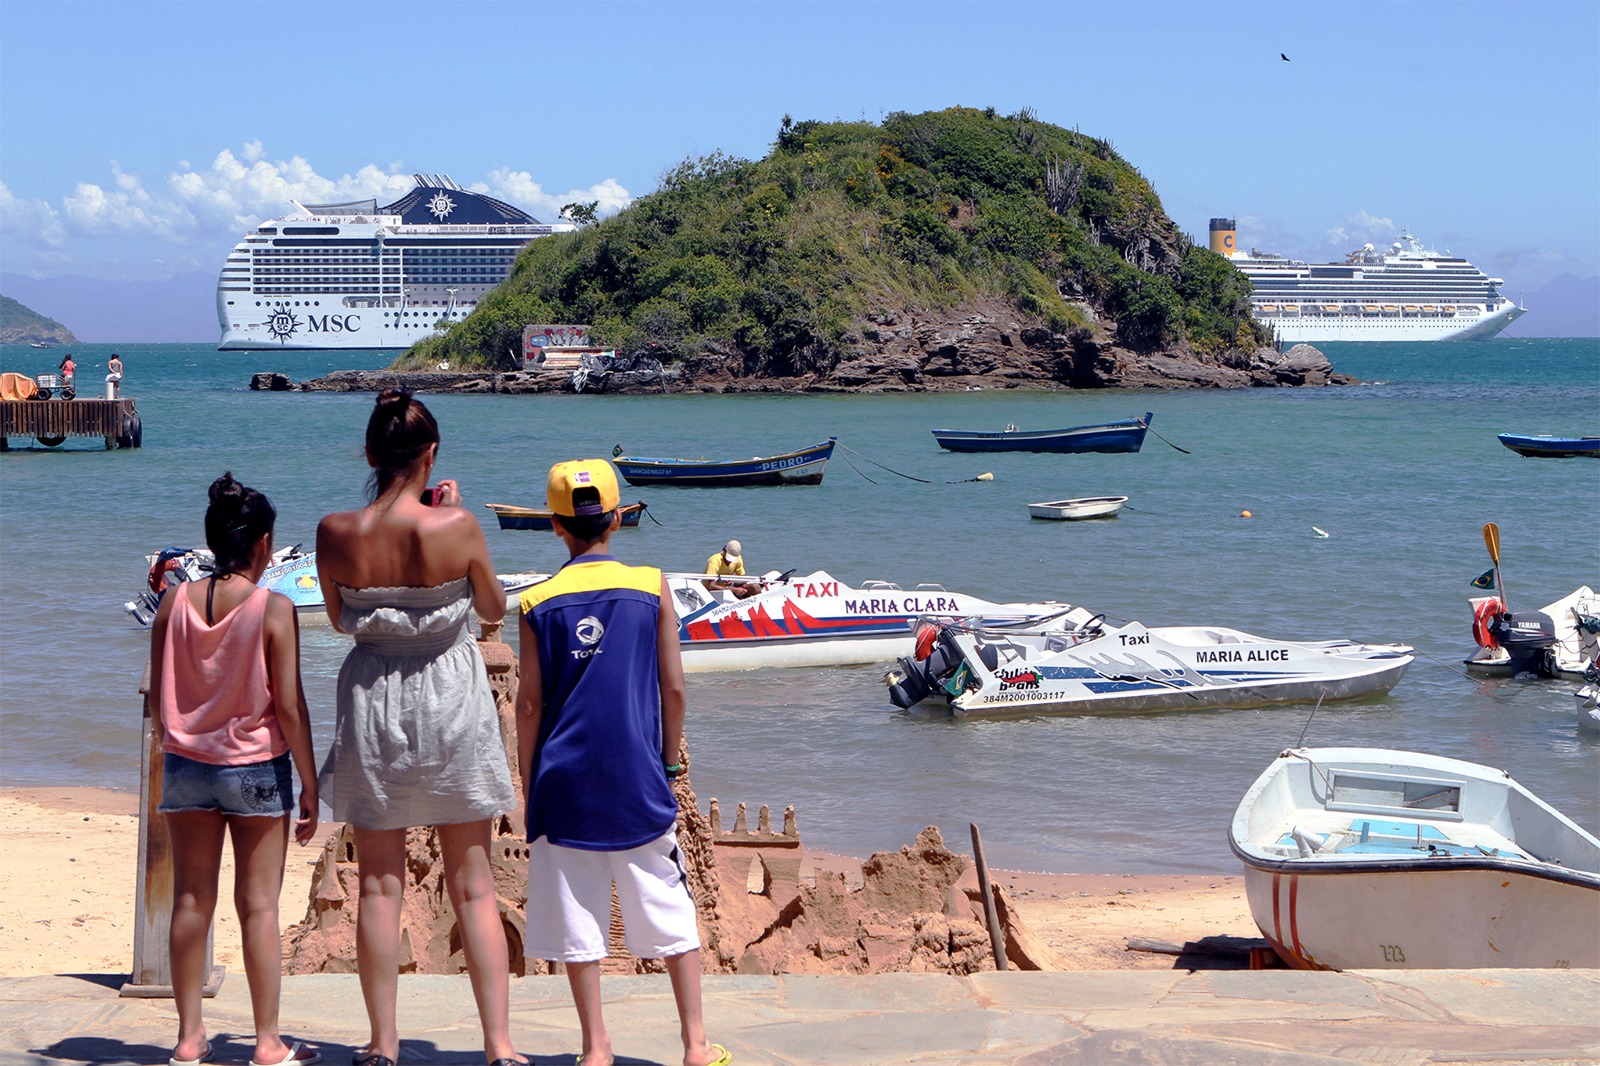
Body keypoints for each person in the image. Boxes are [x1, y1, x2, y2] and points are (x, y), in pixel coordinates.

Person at [315, 389, 521, 1066]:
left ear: (371, 454)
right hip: (452, 702)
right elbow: (492, 608)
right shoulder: (455, 524)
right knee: (475, 884)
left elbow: (340, 616)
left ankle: (382, 1044)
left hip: (374, 702)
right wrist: (450, 519)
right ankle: (498, 1046)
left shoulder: (334, 531)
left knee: (378, 883)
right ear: (431, 455)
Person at [517, 459, 730, 1066]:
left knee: (578, 919)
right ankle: (694, 1045)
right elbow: (675, 689)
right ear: (616, 518)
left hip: (564, 783)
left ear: (556, 526)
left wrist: (531, 784)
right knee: (669, 907)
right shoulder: (651, 584)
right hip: (639, 780)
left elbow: (528, 705)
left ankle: (596, 1048)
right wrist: (671, 766)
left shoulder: (535, 600)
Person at [147, 472, 320, 1066]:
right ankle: (268, 1043)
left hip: (186, 766)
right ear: (265, 544)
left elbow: (156, 694)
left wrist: (179, 737)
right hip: (256, 768)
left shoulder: (173, 603)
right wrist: (311, 783)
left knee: (191, 901)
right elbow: (290, 706)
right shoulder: (273, 608)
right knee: (261, 908)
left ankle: (190, 1038)